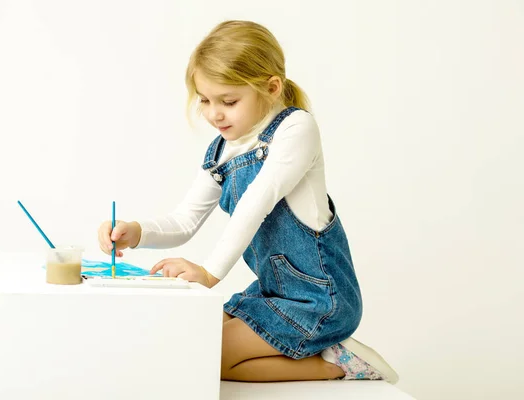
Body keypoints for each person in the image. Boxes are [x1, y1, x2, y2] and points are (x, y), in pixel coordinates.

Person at [98, 20, 398, 383]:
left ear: (271, 88)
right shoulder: (222, 152)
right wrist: (137, 232)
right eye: (205, 100)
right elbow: (184, 221)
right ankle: (320, 352)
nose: (213, 113)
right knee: (194, 339)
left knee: (214, 358)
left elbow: (257, 202)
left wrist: (209, 273)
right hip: (271, 294)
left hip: (320, 301)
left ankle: (339, 364)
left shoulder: (296, 130)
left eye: (228, 101)